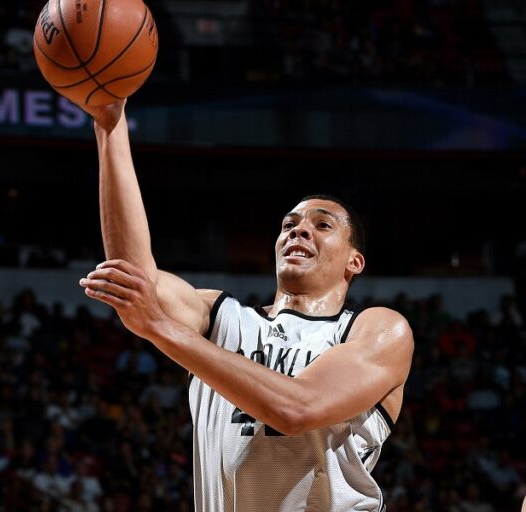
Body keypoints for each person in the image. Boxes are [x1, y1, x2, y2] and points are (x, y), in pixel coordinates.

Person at [78, 101, 414, 511]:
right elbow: (134, 280)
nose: (299, 230)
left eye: (322, 224)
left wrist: (161, 327)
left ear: (354, 262)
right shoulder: (222, 318)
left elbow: (296, 409)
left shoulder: (378, 329)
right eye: (289, 225)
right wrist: (109, 127)